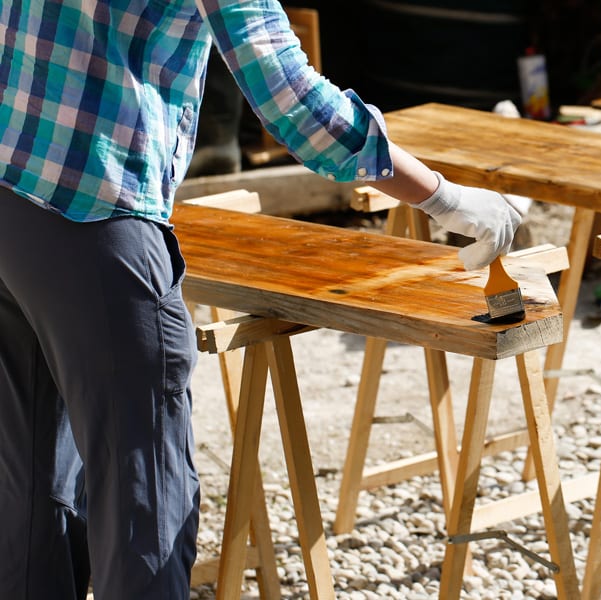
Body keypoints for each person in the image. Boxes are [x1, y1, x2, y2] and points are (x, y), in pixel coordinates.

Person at [0, 1, 521, 598]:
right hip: (96, 218)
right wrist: (443, 197)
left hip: (9, 198)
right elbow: (291, 99)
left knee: (32, 503)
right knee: (142, 506)